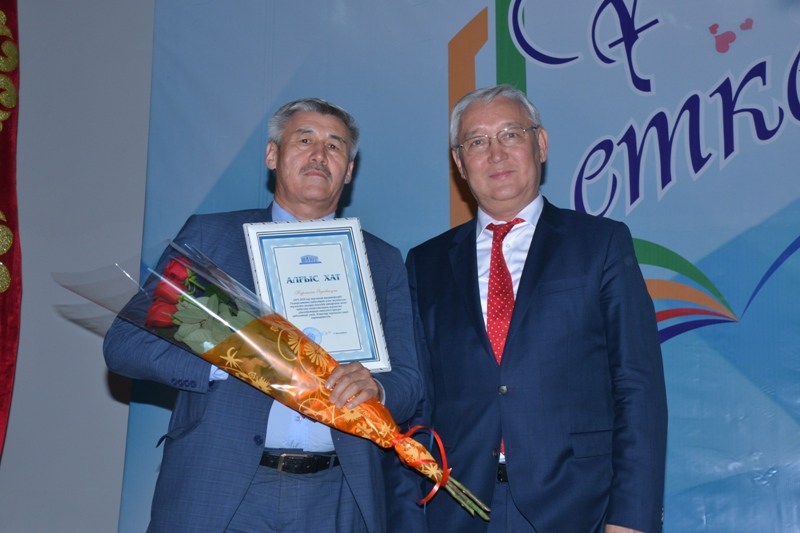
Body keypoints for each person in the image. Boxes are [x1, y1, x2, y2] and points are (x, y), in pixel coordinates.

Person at [104, 98, 422, 533]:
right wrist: (228, 358)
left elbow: (409, 381)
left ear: (349, 171)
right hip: (220, 484)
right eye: (304, 140)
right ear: (272, 155)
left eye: (334, 146)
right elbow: (125, 345)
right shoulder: (212, 239)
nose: (319, 154)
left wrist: (377, 389)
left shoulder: (381, 260)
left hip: (338, 495)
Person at [405, 85, 668, 533]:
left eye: (511, 134)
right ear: (459, 163)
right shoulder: (425, 264)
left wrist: (632, 518)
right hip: (459, 509)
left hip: (579, 506)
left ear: (540, 144)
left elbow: (637, 387)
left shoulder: (600, 244)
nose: (496, 153)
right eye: (477, 142)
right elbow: (417, 403)